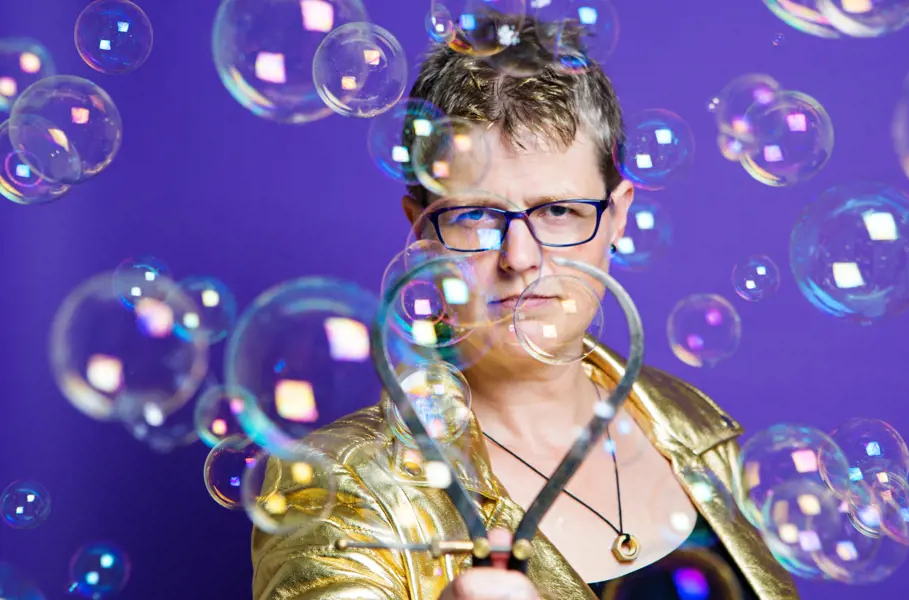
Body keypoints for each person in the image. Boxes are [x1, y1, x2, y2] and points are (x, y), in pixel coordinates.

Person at [251, 16, 799, 600]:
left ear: (617, 216)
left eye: (558, 211)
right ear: (420, 232)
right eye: (475, 215)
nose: (520, 256)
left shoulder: (696, 429)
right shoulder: (341, 487)